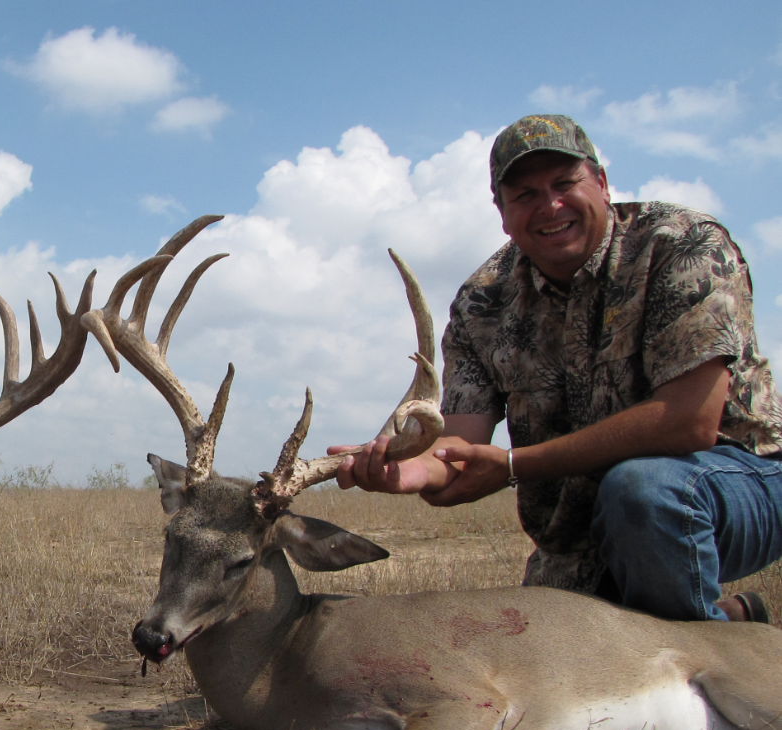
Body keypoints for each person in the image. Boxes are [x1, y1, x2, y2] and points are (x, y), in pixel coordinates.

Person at [334, 114, 782, 623]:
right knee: (548, 664)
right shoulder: (485, 301)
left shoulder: (680, 245)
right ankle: (729, 618)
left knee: (645, 496)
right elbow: (459, 443)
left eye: (565, 183)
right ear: (502, 213)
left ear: (603, 184)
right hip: (581, 529)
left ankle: (721, 656)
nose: (550, 206)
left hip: (741, 483)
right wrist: (410, 468)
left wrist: (512, 466)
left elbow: (688, 423)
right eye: (524, 194)